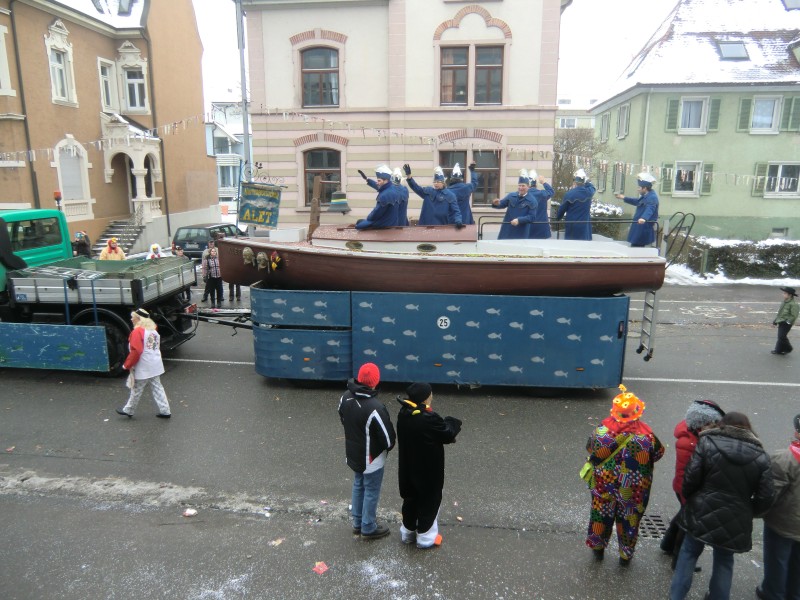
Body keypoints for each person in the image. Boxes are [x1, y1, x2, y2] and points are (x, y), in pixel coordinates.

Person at [669, 412, 775, 600]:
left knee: (688, 553)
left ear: (722, 425)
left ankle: (676, 596)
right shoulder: (761, 457)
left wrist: (693, 499)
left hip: (701, 510)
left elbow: (690, 479)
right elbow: (766, 497)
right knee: (725, 560)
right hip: (736, 518)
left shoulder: (707, 443)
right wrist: (748, 510)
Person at [585, 384, 664, 565]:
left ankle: (598, 548)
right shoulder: (647, 436)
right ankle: (625, 555)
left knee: (601, 514)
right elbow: (658, 454)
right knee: (629, 518)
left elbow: (590, 449)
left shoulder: (601, 431)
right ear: (637, 412)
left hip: (604, 483)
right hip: (634, 488)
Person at [660, 399, 726, 567]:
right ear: (702, 423)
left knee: (682, 515)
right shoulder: (691, 443)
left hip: (684, 486)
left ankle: (667, 544)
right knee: (687, 524)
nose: (715, 427)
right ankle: (678, 559)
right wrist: (687, 496)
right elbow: (686, 473)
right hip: (686, 489)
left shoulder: (691, 434)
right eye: (712, 423)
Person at [396, 382, 462, 549]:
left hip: (408, 468)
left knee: (410, 499)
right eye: (430, 394)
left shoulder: (404, 413)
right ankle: (426, 538)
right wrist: (452, 421)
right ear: (425, 398)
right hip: (428, 470)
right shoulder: (427, 418)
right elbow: (446, 433)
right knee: (430, 501)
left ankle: (408, 532)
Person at [338, 362, 396, 539]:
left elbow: (342, 418)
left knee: (358, 484)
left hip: (353, 454)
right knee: (371, 490)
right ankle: (368, 526)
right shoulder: (375, 407)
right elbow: (388, 439)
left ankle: (357, 522)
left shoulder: (345, 397)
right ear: (375, 382)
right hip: (372, 459)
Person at [757, 413, 800, 600]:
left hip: (782, 523)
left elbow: (770, 495)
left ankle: (773, 593)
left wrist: (756, 511)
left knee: (777, 561)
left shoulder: (785, 459)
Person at [115, 308, 171, 419]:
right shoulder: (153, 330)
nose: (131, 319)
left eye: (133, 317)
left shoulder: (137, 331)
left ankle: (129, 410)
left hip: (144, 366)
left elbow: (136, 350)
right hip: (155, 364)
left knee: (136, 389)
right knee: (157, 387)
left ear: (139, 319)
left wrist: (127, 365)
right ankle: (165, 410)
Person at [615, 172, 659, 247]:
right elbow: (637, 201)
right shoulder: (647, 195)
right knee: (635, 247)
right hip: (639, 226)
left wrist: (643, 218)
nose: (638, 189)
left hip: (643, 227)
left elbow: (650, 209)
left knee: (638, 248)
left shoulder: (652, 197)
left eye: (639, 187)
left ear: (644, 188)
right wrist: (624, 198)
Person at [491, 170, 537, 240]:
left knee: (518, 250)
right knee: (502, 249)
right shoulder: (511, 196)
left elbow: (532, 217)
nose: (521, 188)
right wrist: (496, 204)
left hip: (521, 232)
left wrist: (519, 220)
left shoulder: (532, 201)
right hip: (507, 230)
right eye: (519, 185)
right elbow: (502, 204)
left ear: (528, 187)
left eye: (523, 186)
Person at [355, 165, 401, 230]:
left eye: (379, 181)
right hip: (393, 223)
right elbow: (378, 186)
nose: (377, 183)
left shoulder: (385, 195)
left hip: (384, 224)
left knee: (359, 225)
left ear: (386, 181)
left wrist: (368, 218)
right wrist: (367, 179)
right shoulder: (392, 188)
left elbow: (376, 214)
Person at [556, 169, 596, 241]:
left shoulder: (569, 194)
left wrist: (557, 218)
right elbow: (592, 187)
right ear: (584, 182)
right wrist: (586, 182)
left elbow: (562, 210)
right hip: (584, 226)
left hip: (572, 225)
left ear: (575, 182)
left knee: (571, 247)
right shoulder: (589, 192)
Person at [772, 286, 798, 355]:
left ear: (790, 295)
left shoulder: (793, 304)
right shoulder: (784, 302)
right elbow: (780, 313)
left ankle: (789, 348)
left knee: (782, 336)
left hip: (787, 323)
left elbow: (794, 315)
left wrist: (788, 322)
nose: (783, 294)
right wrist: (775, 321)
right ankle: (778, 350)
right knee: (780, 336)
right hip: (781, 321)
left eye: (785, 293)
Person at [528, 171, 555, 239]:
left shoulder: (523, 195)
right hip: (541, 228)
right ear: (536, 184)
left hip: (528, 228)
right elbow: (551, 191)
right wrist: (543, 182)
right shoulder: (542, 194)